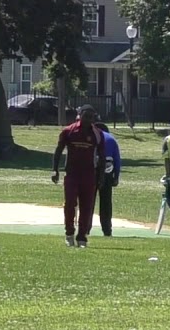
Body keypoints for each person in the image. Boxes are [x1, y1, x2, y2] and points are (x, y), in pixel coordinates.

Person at [51, 106, 105, 247]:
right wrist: (55, 170)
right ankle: (69, 233)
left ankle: (82, 237)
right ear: (79, 115)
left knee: (87, 206)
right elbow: (58, 150)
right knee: (70, 204)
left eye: (91, 117)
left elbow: (102, 156)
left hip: (89, 175)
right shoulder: (69, 131)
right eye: (86, 116)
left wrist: (101, 176)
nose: (88, 119)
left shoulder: (97, 133)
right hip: (72, 174)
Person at [93, 120, 122, 237]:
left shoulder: (92, 136)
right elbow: (117, 160)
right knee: (106, 202)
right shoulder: (111, 139)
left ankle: (86, 228)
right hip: (107, 173)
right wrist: (116, 176)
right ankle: (107, 230)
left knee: (89, 201)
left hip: (92, 171)